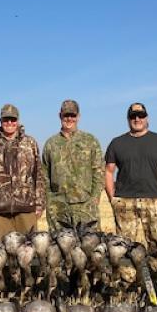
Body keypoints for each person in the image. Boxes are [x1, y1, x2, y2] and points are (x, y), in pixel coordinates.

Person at [104, 102, 157, 271]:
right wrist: (112, 198)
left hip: (154, 201)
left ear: (147, 118)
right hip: (125, 201)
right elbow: (108, 172)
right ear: (128, 119)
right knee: (123, 246)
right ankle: (126, 282)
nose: (137, 119)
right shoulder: (117, 143)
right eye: (133, 116)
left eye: (141, 116)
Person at [0, 104, 46, 242]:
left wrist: (39, 203)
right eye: (6, 119)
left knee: (29, 249)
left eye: (12, 119)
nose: (9, 123)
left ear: (18, 121)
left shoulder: (30, 143)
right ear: (1, 121)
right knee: (3, 251)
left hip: (26, 206)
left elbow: (38, 174)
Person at [42, 99, 104, 230]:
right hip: (58, 208)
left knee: (89, 245)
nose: (69, 119)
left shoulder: (90, 141)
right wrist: (50, 200)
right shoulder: (51, 144)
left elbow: (99, 172)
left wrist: (94, 198)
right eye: (66, 115)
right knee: (59, 247)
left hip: (85, 206)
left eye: (73, 115)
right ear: (60, 116)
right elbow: (44, 175)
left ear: (78, 117)